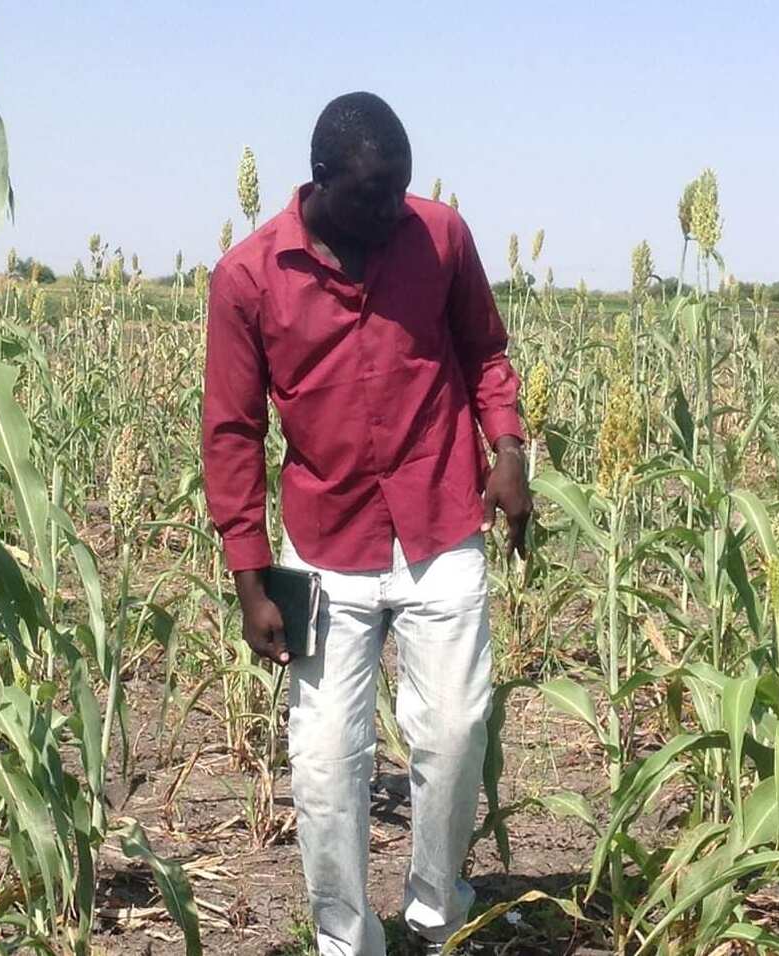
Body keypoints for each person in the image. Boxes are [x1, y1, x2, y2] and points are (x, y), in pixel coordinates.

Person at [201, 91, 532, 956]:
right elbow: (233, 432)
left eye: (401, 190)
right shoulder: (247, 277)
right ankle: (347, 942)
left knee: (456, 731)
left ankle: (433, 915)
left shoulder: (439, 237)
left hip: (439, 518)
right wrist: (248, 575)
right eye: (373, 194)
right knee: (323, 767)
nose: (392, 211)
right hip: (325, 542)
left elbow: (484, 353)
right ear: (320, 183)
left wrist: (508, 451)